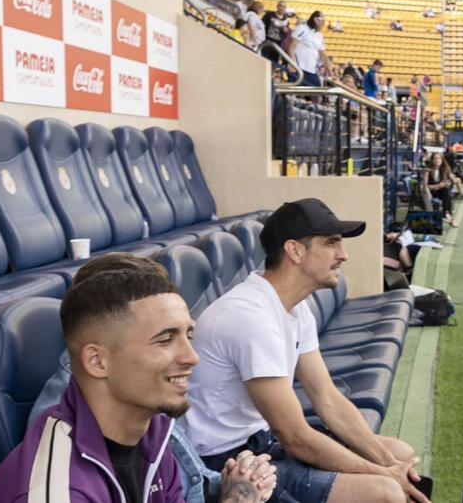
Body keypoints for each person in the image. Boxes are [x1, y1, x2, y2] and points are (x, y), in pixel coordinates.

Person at [181, 199, 429, 503]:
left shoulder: (295, 309)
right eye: (332, 243)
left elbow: (328, 399)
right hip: (226, 462)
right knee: (385, 492)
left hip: (261, 443)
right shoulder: (250, 317)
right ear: (295, 251)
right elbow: (296, 438)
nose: (343, 255)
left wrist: (388, 464)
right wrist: (384, 475)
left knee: (398, 454)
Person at [0, 255, 277, 503]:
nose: (192, 357)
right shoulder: (59, 491)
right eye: (165, 340)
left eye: (188, 335)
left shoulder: (153, 431)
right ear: (97, 361)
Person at [287, 10, 328, 87]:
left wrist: (331, 73)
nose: (323, 24)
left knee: (318, 91)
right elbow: (291, 46)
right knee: (295, 91)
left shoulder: (319, 36)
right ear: (315, 19)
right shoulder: (302, 28)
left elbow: (323, 56)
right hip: (299, 68)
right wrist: (292, 63)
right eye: (322, 20)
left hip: (311, 70)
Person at [422, 152, 458, 227]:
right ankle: (449, 216)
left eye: (439, 158)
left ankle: (447, 213)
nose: (438, 160)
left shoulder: (445, 168)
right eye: (435, 158)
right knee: (445, 190)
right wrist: (438, 185)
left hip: (442, 192)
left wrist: (452, 179)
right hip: (432, 192)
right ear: (432, 160)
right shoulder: (428, 170)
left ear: (442, 160)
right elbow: (425, 186)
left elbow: (452, 179)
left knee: (446, 189)